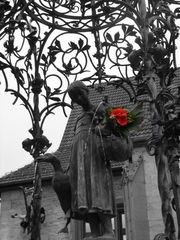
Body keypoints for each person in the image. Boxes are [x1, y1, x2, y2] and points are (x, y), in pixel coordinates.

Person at [67, 81, 116, 238]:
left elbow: (111, 131)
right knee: (85, 196)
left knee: (99, 191)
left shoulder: (99, 109)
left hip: (96, 159)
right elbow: (75, 142)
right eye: (75, 98)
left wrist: (103, 122)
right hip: (80, 163)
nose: (79, 99)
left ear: (86, 92)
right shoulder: (78, 118)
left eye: (80, 94)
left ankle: (108, 231)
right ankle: (94, 232)